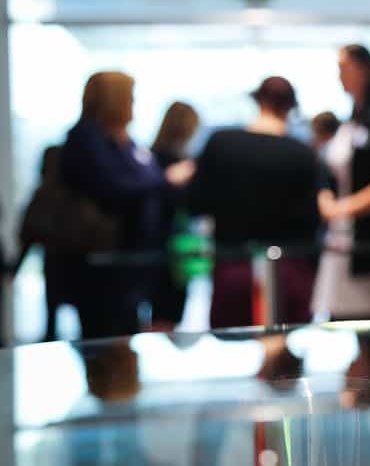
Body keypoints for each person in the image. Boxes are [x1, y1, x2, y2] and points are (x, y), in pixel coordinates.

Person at [59, 72, 194, 339]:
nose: (133, 105)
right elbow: (112, 187)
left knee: (125, 338)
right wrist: (166, 179)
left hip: (129, 261)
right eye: (129, 98)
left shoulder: (122, 141)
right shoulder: (87, 138)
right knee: (106, 342)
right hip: (103, 263)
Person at [187, 76, 320, 328]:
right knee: (285, 356)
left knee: (232, 349)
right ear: (290, 106)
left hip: (232, 267)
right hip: (287, 272)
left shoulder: (221, 143)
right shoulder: (301, 153)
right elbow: (311, 222)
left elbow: (196, 203)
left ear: (258, 100)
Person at [312, 45, 370, 321]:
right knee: (340, 318)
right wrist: (327, 200)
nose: (340, 76)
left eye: (344, 68)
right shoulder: (351, 122)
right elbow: (330, 175)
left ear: (364, 69)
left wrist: (340, 209)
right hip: (341, 239)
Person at [149, 101, 201, 329]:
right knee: (165, 309)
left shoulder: (152, 157)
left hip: (171, 241)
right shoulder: (163, 161)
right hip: (165, 243)